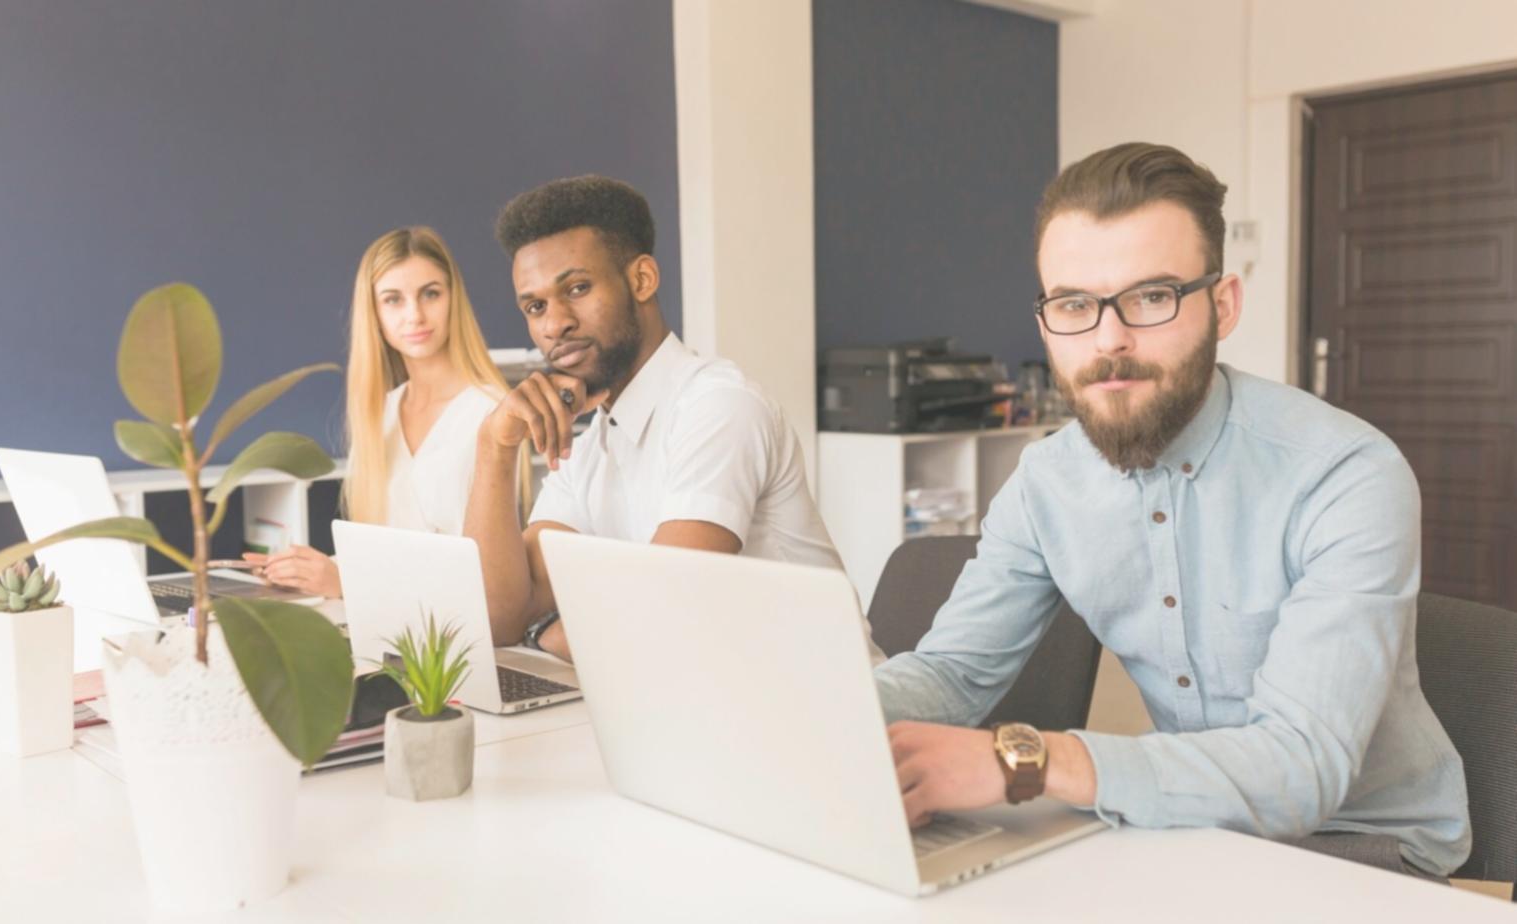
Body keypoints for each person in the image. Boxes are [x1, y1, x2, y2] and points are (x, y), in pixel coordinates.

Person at [876, 142, 1471, 879]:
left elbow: (1300, 765)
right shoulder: (1044, 482)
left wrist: (1026, 761)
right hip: (1185, 828)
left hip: (1365, 846)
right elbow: (953, 676)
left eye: (1151, 297)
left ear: (1221, 304)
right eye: (1072, 305)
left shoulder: (1344, 473)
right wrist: (815, 704)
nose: (1108, 340)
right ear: (1044, 320)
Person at [463, 175, 874, 663]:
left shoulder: (719, 407)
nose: (554, 325)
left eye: (577, 288)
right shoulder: (592, 443)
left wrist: (544, 634)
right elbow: (499, 617)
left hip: (823, 710)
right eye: (535, 306)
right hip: (706, 703)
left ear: (641, 279)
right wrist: (494, 446)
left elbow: (659, 611)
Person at [247, 226, 523, 596]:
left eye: (431, 294)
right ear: (373, 312)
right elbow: (387, 552)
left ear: (453, 299)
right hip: (390, 625)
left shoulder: (493, 413)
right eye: (393, 299)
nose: (415, 315)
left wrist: (349, 583)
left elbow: (485, 575)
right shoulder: (381, 416)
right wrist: (308, 572)